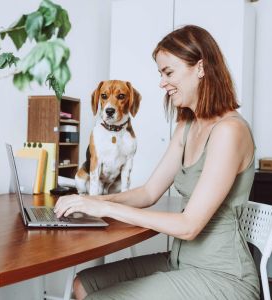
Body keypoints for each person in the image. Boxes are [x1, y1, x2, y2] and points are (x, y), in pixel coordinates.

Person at [54, 24, 260, 300]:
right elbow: (148, 193)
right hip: (179, 261)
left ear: (200, 68)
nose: (162, 83)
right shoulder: (187, 126)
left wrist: (104, 207)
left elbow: (189, 226)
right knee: (83, 284)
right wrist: (89, 202)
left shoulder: (229, 131)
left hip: (222, 276)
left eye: (169, 72)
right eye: (161, 74)